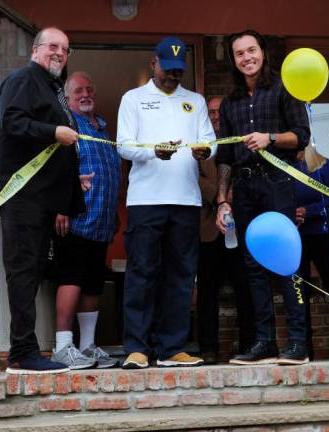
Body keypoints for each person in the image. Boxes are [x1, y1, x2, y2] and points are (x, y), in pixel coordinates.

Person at [117, 36, 216, 369]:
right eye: (168, 70)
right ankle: (137, 348)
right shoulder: (133, 99)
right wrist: (152, 151)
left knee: (181, 274)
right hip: (145, 200)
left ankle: (172, 348)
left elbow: (210, 141)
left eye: (179, 71)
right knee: (142, 272)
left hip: (186, 200)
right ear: (153, 64)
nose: (174, 76)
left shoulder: (196, 101)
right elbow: (123, 146)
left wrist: (207, 150)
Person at [0, 27, 87, 374]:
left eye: (65, 48)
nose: (59, 53)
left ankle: (28, 350)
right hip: (22, 199)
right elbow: (11, 122)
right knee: (22, 272)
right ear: (36, 50)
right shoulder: (23, 79)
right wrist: (54, 132)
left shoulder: (53, 89)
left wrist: (72, 181)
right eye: (53, 46)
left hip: (43, 201)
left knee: (33, 273)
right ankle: (23, 352)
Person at [216, 29, 311, 365]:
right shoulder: (230, 103)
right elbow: (225, 157)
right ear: (234, 60)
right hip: (243, 188)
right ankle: (264, 342)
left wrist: (270, 137)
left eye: (251, 50)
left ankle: (298, 343)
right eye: (240, 53)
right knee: (252, 265)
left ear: (263, 52)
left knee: (288, 262)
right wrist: (222, 200)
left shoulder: (285, 89)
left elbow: (301, 136)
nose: (247, 58)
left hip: (277, 183)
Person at [50, 71, 121, 369]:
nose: (85, 93)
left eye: (89, 89)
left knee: (93, 284)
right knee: (71, 279)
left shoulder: (102, 129)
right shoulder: (66, 126)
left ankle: (89, 346)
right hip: (74, 218)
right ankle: (62, 346)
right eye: (79, 90)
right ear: (67, 97)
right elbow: (53, 168)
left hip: (101, 221)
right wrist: (60, 205)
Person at [196, 96, 255, 364]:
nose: (216, 116)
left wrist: (233, 200)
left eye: (220, 111)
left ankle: (249, 346)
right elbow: (195, 178)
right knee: (207, 293)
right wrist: (221, 199)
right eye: (211, 112)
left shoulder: (241, 142)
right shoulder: (201, 146)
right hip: (208, 229)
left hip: (241, 228)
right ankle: (208, 349)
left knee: (246, 289)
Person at [294, 145, 329, 359]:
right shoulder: (279, 167)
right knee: (297, 294)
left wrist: (309, 211)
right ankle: (303, 347)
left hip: (323, 234)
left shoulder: (322, 164)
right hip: (294, 237)